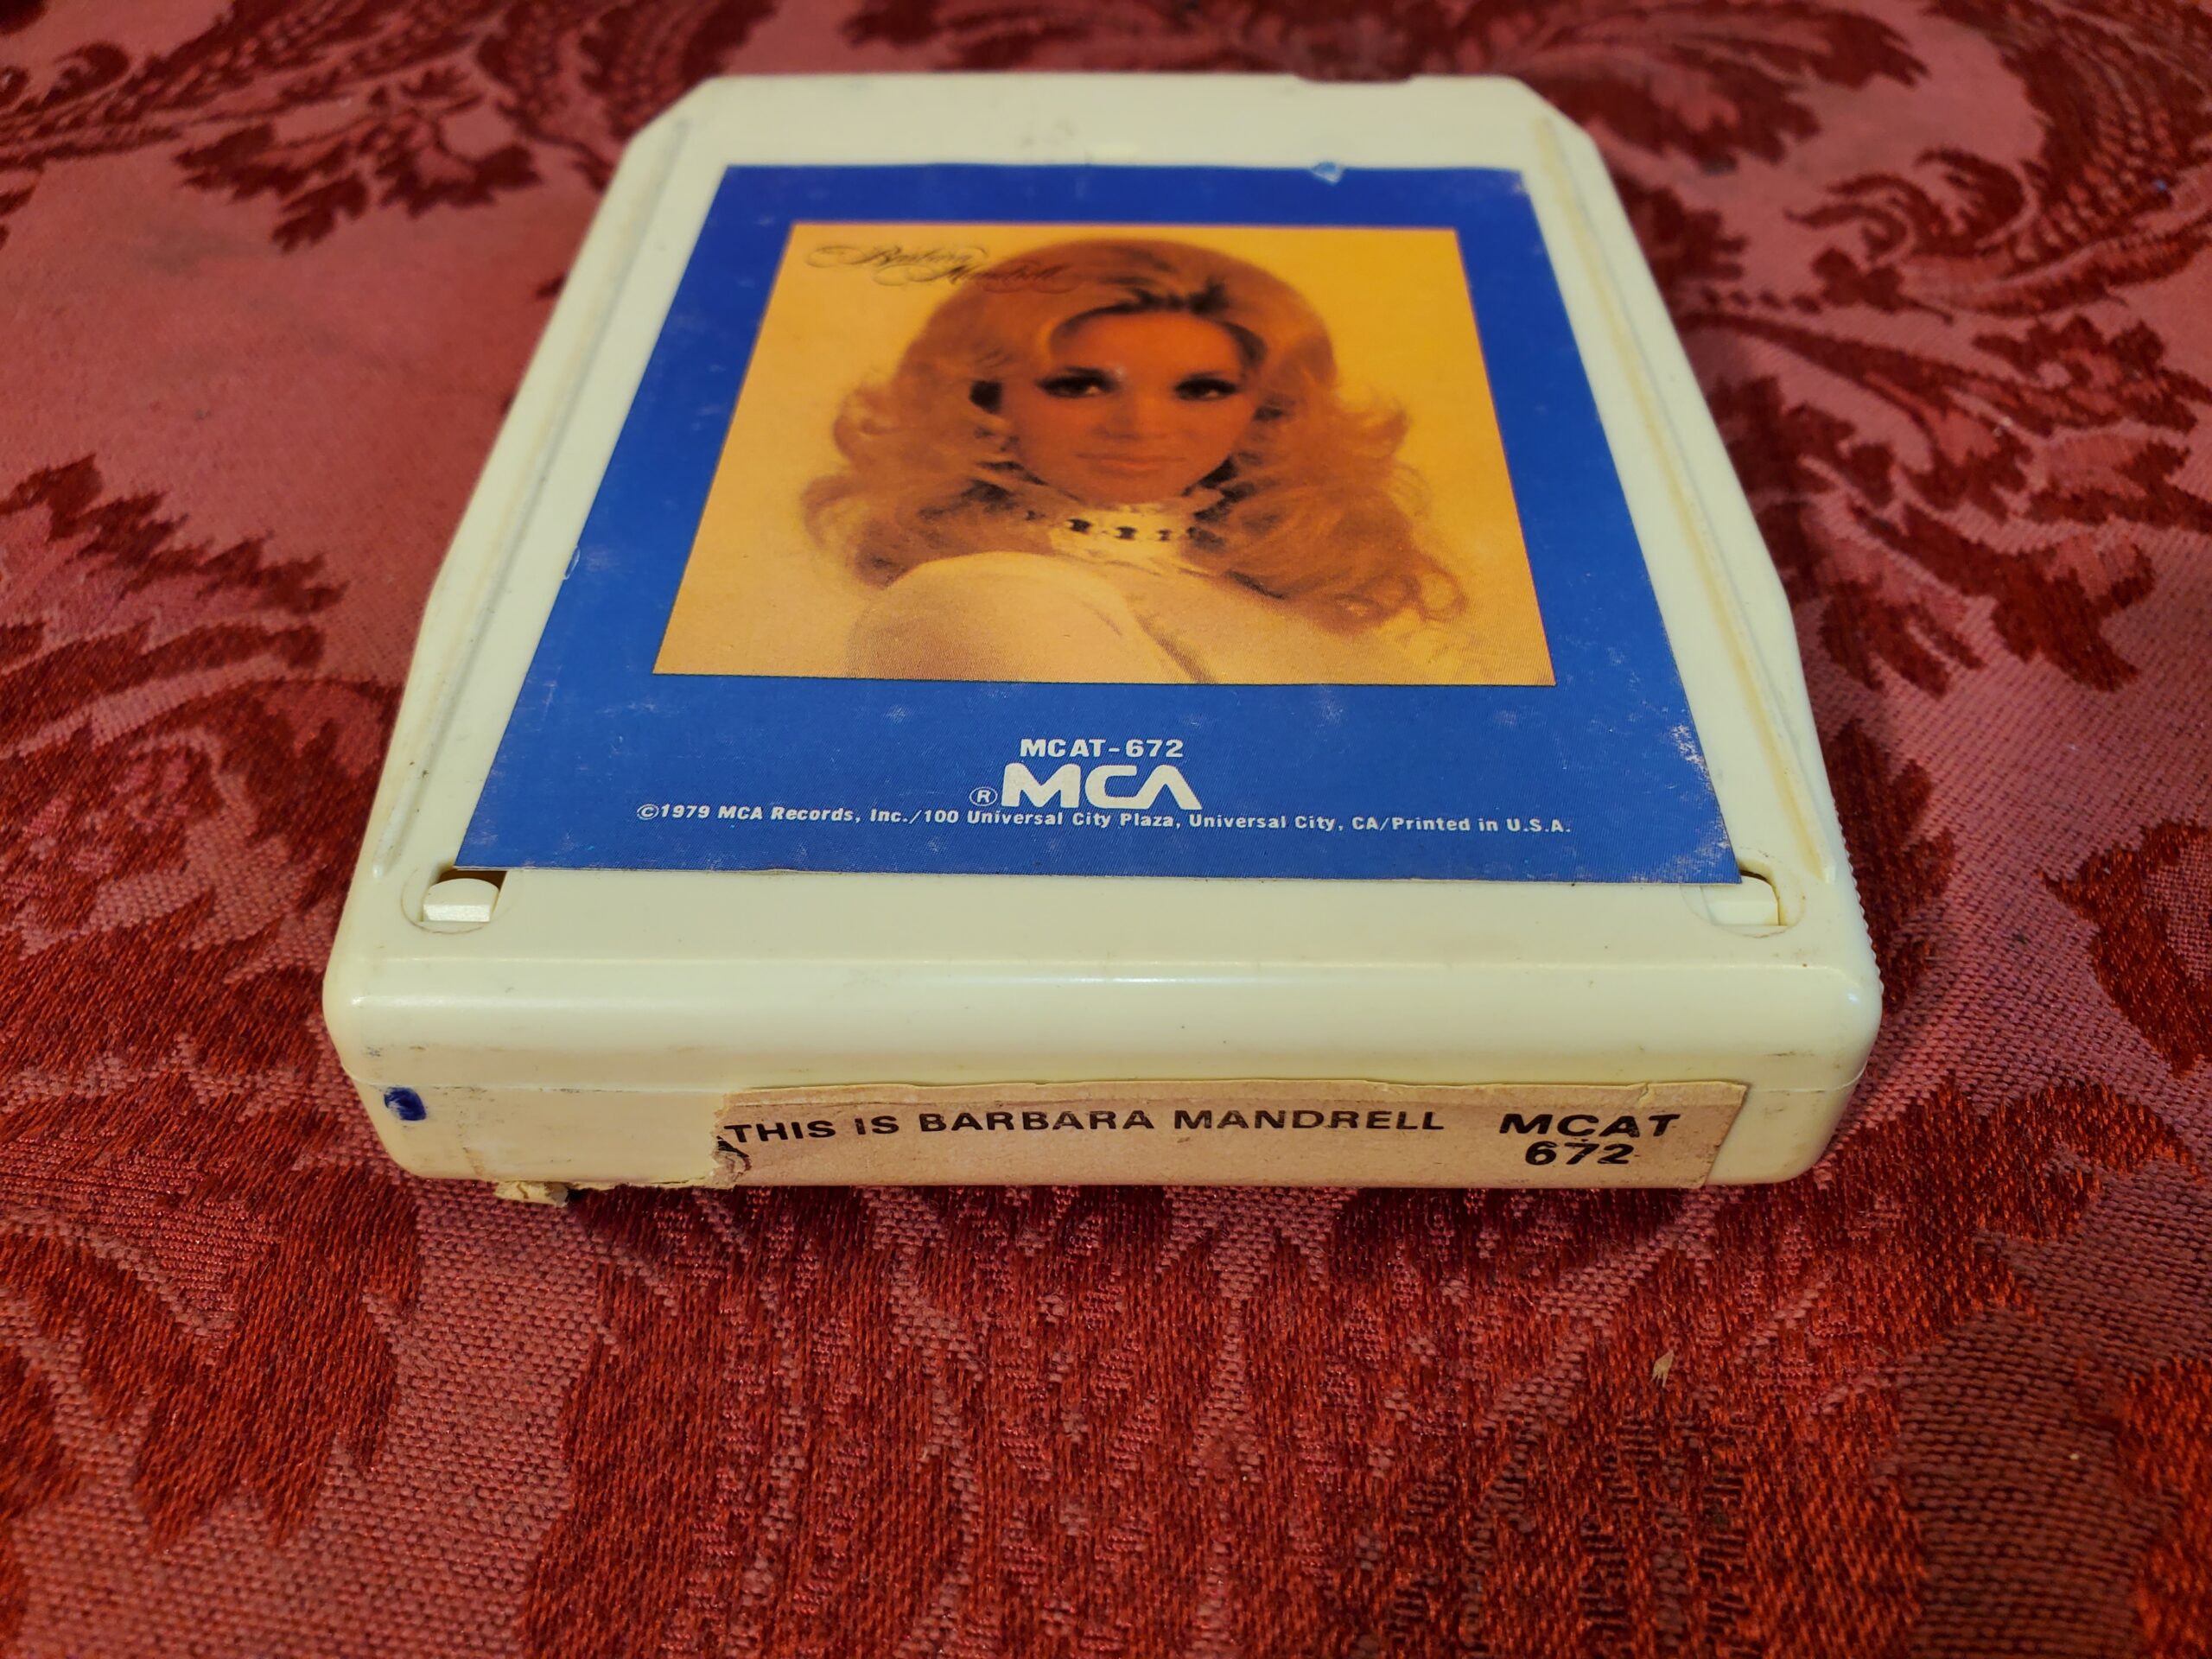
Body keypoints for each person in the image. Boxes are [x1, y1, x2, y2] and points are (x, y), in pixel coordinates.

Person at [803, 238, 1471, 683]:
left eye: (1201, 390)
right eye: (1080, 385)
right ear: (984, 398)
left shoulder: (1273, 588)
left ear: (1263, 408)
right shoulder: (978, 599)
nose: (1142, 427)